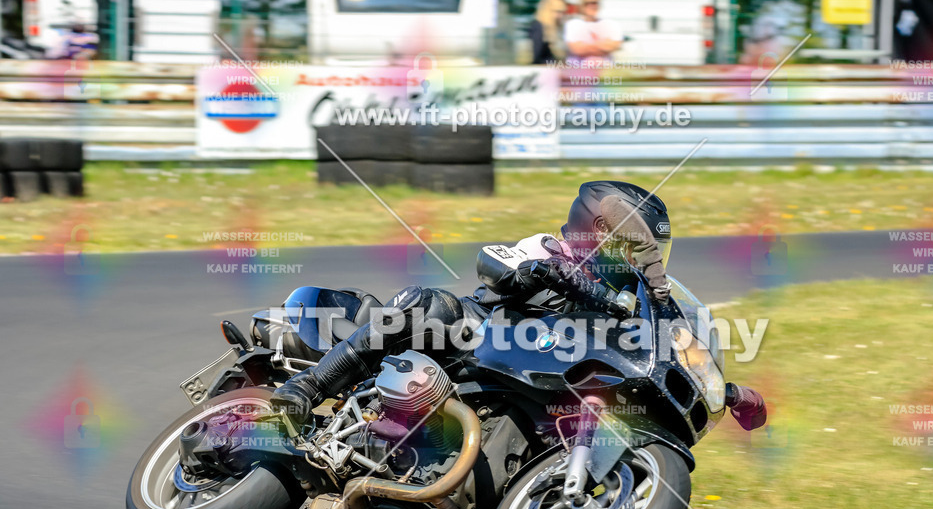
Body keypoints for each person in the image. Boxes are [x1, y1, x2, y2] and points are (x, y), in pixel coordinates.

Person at [270, 181, 768, 433]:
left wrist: (725, 389)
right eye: (635, 246)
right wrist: (531, 272)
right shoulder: (550, 248)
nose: (643, 259)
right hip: (477, 342)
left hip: (540, 378)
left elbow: (666, 348)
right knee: (431, 305)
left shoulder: (634, 302)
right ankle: (306, 387)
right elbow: (493, 262)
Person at [563, 0, 623, 65]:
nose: (592, 6)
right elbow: (576, 49)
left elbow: (615, 46)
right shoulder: (573, 25)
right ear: (582, 6)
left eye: (595, 3)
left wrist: (585, 46)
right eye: (587, 3)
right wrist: (602, 45)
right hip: (578, 71)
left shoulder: (610, 24)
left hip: (605, 71)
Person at [529, 0, 568, 65]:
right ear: (548, 10)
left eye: (563, 12)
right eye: (558, 11)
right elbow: (537, 58)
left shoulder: (558, 29)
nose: (561, 16)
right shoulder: (538, 27)